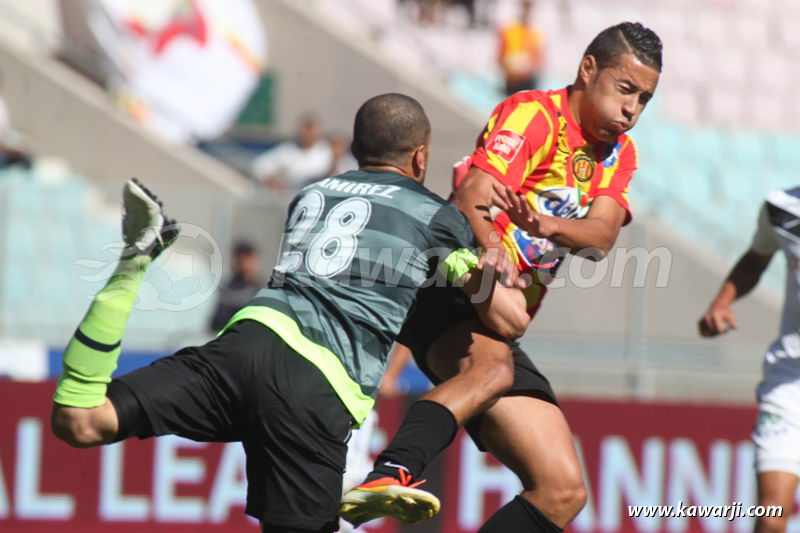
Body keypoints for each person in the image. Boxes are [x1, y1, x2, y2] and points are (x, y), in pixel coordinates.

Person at [49, 93, 530, 533]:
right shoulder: (434, 215)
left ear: (358, 148)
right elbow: (508, 320)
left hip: (243, 343)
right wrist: (487, 263)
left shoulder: (312, 195)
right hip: (316, 382)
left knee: (82, 417)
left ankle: (134, 263)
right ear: (421, 157)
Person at [342, 22, 662, 533]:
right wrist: (492, 251)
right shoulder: (534, 115)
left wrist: (547, 225)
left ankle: (387, 469)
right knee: (494, 364)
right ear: (588, 70)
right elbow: (473, 195)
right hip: (449, 282)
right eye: (626, 90)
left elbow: (601, 237)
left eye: (644, 98)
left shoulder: (620, 154)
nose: (632, 109)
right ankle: (390, 471)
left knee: (562, 491)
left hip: (494, 317)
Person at [699, 188, 800, 533]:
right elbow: (757, 257)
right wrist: (721, 302)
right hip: (789, 383)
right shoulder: (782, 208)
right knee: (772, 516)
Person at [251, 114, 333, 193]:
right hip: (291, 198)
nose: (308, 134)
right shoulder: (287, 150)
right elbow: (259, 165)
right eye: (306, 130)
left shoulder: (327, 151)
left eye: (311, 130)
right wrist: (270, 179)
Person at [208, 240, 264, 331]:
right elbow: (217, 322)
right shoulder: (229, 290)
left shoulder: (262, 289)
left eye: (248, 258)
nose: (245, 262)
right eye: (241, 258)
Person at [498, 0, 544, 96]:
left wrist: (530, 68)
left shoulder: (536, 32)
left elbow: (539, 57)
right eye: (524, 7)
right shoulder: (509, 30)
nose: (526, 11)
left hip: (528, 80)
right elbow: (501, 54)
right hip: (512, 79)